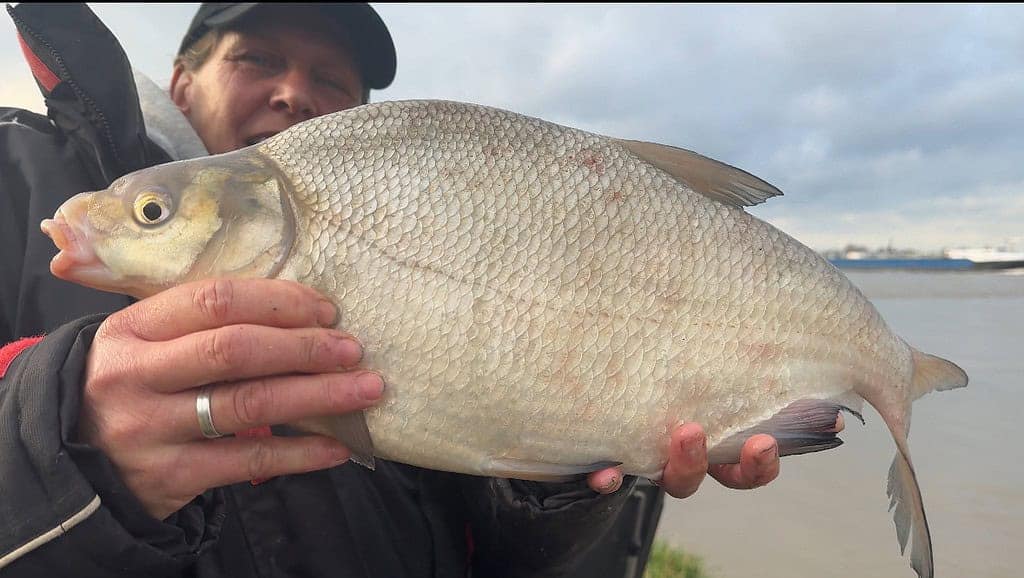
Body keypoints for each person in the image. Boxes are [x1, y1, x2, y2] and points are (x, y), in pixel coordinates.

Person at [0, 3, 822, 576]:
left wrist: (573, 468)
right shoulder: (15, 177)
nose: (295, 92)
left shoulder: (431, 231)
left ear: (358, 120)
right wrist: (59, 444)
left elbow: (505, 556)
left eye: (331, 77)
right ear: (182, 80)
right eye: (257, 58)